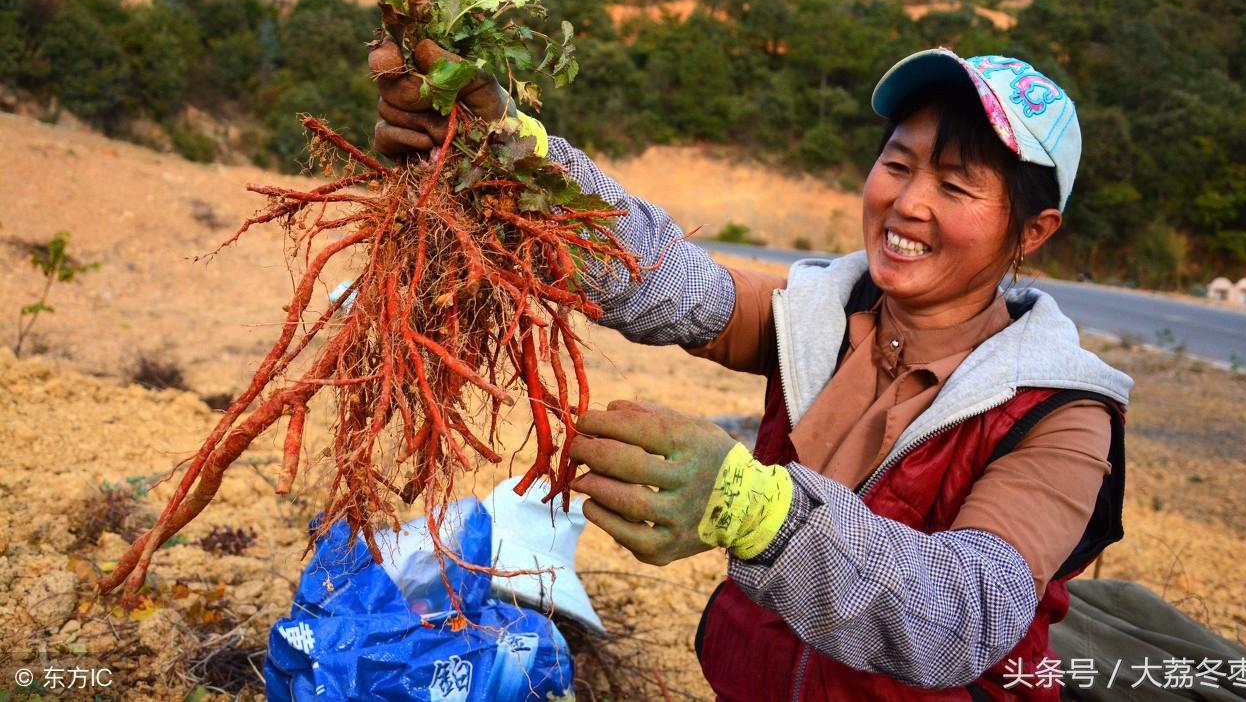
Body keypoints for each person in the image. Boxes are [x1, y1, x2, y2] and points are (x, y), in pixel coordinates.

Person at [370, 41, 1130, 701]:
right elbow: (670, 280)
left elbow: (968, 614)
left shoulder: (1060, 412)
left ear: (1033, 231)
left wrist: (757, 512)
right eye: (897, 163)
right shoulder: (823, 314)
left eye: (956, 185)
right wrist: (520, 163)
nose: (907, 203)